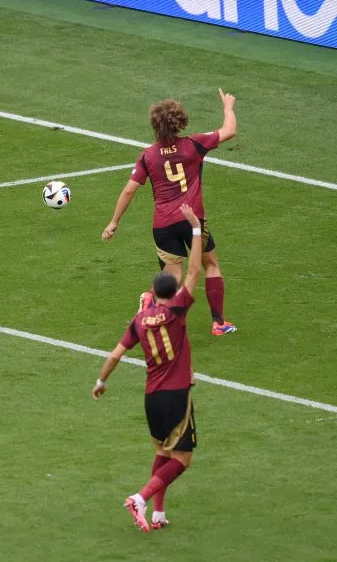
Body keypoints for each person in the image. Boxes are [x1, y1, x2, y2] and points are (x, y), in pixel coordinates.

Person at [93, 203, 204, 533]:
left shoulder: (139, 323)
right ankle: (139, 498)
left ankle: (158, 512)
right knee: (183, 459)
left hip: (151, 397)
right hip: (175, 395)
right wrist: (195, 228)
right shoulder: (178, 311)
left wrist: (101, 381)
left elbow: (115, 355)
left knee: (163, 451)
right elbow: (195, 268)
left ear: (153, 294)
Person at [102, 90, 237, 336]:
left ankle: (150, 300)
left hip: (163, 225)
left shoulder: (148, 156)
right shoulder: (194, 144)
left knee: (172, 277)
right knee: (211, 265)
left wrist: (114, 222)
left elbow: (130, 190)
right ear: (180, 121)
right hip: (192, 221)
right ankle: (218, 323)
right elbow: (229, 131)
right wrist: (228, 107)